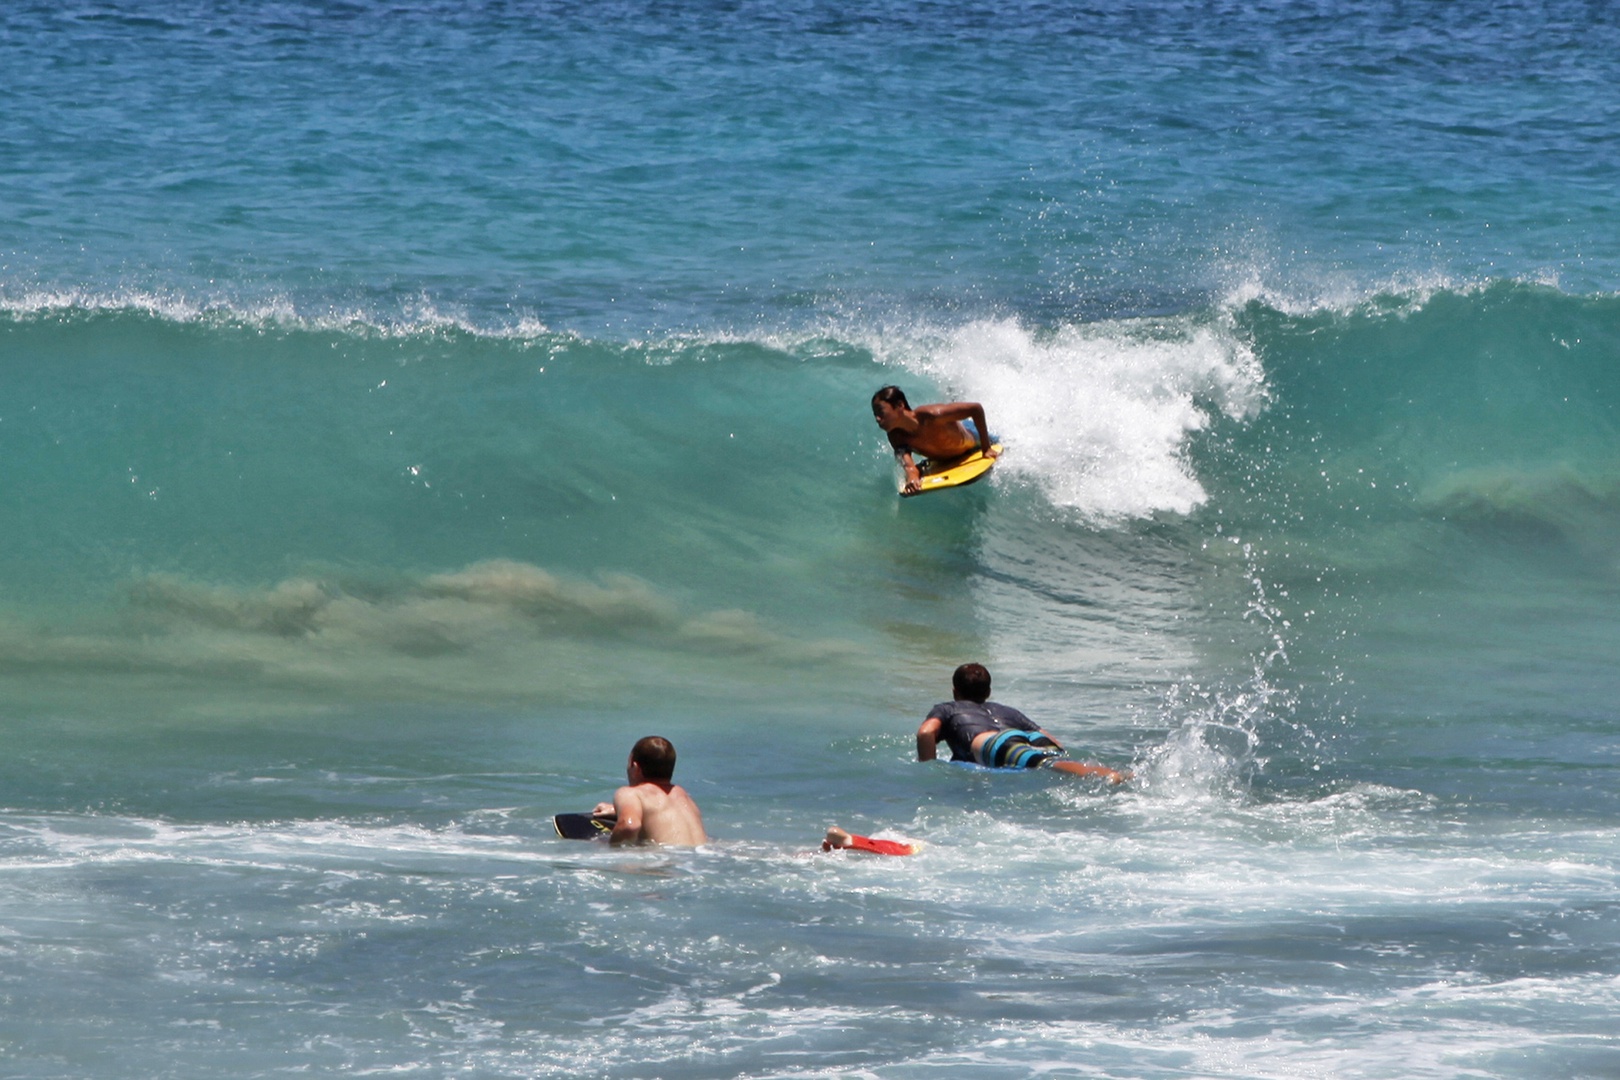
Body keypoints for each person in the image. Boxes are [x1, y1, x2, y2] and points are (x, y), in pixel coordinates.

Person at [916, 663, 1130, 784]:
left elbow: (926, 733)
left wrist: (929, 772)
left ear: (955, 692)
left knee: (1048, 765)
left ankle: (1108, 776)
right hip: (1030, 738)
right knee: (1052, 760)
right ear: (988, 692)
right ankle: (1124, 775)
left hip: (995, 743)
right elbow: (1050, 740)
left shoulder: (948, 708)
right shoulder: (1006, 710)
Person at [871, 385, 1000, 496]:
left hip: (974, 439)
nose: (877, 419)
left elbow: (975, 409)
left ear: (899, 405)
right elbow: (909, 466)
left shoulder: (931, 415)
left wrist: (986, 448)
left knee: (1002, 442)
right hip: (944, 459)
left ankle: (953, 391)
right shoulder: (895, 436)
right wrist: (912, 478)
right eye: (875, 414)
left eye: (881, 412)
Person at [590, 736, 708, 846]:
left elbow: (629, 826)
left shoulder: (630, 793)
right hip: (704, 857)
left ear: (634, 766)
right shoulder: (682, 794)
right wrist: (618, 810)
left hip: (667, 860)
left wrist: (610, 852)